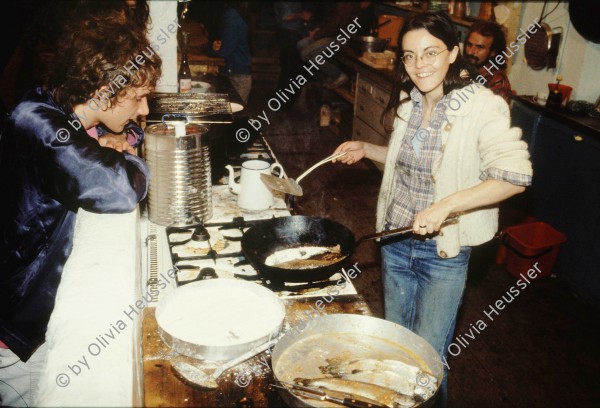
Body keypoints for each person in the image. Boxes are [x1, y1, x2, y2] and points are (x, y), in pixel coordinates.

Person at [333, 11, 532, 407]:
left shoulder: (482, 106)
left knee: (425, 361)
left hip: (444, 251)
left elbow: (515, 176)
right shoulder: (410, 104)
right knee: (395, 348)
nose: (419, 65)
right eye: (409, 56)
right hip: (394, 241)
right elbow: (419, 163)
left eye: (430, 53)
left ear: (454, 53)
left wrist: (447, 207)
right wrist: (367, 148)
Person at [0, 7, 161, 406]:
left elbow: (131, 131)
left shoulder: (76, 116)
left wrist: (111, 143)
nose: (144, 109)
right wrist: (126, 158)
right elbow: (123, 188)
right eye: (138, 97)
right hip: (18, 331)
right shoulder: (34, 120)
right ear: (103, 90)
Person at [206, 2, 252, 105]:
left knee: (234, 117)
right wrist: (216, 46)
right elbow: (226, 46)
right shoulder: (234, 14)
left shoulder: (231, 16)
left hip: (237, 77)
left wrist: (209, 49)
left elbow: (224, 52)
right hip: (235, 73)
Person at [464, 20, 513, 103]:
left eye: (479, 47)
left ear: (493, 52)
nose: (470, 52)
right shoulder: (468, 70)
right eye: (469, 45)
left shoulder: (498, 82)